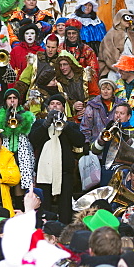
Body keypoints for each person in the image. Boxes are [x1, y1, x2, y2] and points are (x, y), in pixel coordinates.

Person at [30, 95, 83, 223]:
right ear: (48, 108)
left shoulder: (70, 124)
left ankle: (63, 230)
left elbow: (79, 141)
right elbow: (33, 140)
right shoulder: (39, 123)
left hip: (65, 171)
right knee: (44, 203)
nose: (55, 106)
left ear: (63, 108)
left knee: (65, 204)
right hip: (45, 171)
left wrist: (66, 127)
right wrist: (45, 124)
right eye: (52, 103)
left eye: (58, 104)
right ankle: (45, 227)